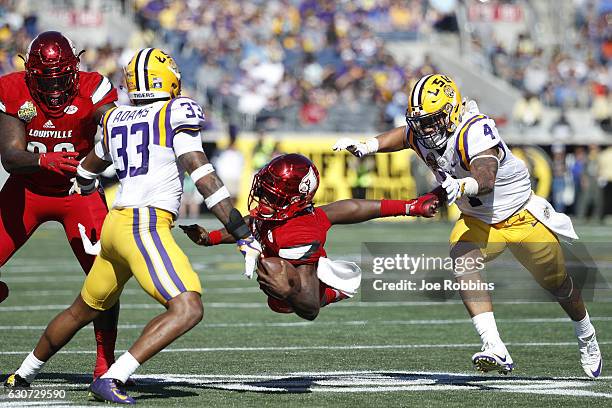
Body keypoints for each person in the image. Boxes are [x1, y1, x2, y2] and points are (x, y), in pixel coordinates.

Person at [4, 48, 262, 404]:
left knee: (81, 310)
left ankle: (24, 373)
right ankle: (113, 376)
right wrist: (240, 231)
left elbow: (88, 166)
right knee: (188, 307)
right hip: (145, 224)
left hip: (115, 226)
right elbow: (201, 174)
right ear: (169, 78)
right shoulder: (176, 111)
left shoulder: (118, 118)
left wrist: (83, 181)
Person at [332, 74, 602, 378]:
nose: (425, 129)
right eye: (421, 122)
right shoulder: (421, 132)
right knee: (463, 258)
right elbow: (404, 134)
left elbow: (486, 177)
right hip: (478, 220)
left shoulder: (474, 129)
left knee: (559, 285)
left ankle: (587, 335)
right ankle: (495, 346)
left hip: (520, 215)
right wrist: (368, 146)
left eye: (432, 120)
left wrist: (462, 187)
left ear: (451, 111)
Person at [181, 154, 438, 321]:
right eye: (264, 190)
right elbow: (254, 223)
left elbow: (310, 308)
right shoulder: (278, 211)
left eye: (273, 195)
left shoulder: (299, 232)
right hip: (288, 256)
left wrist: (288, 294)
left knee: (274, 277)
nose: (264, 198)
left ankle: (334, 292)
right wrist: (211, 237)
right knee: (275, 263)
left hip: (307, 282)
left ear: (294, 199)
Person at [0, 31, 120, 381]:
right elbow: (9, 156)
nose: (53, 88)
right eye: (44, 79)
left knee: (104, 276)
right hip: (28, 190)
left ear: (75, 67)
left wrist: (92, 165)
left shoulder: (94, 87)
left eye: (60, 77)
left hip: (77, 193)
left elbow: (117, 130)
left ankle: (105, 360)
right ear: (29, 73)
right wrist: (42, 162)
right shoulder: (12, 89)